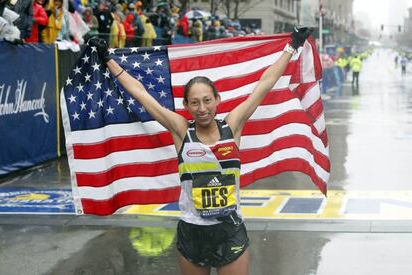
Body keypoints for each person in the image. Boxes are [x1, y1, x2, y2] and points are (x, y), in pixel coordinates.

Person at [87, 26, 312, 275]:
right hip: (192, 231)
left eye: (207, 100)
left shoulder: (233, 124)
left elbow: (265, 84)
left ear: (217, 99)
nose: (202, 108)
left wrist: (292, 46)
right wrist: (108, 59)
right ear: (186, 105)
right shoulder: (181, 130)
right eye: (194, 102)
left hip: (230, 230)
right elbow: (141, 94)